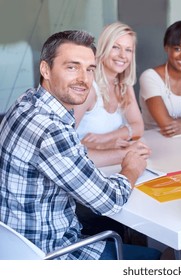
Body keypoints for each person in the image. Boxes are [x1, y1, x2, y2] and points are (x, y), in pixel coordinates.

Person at [0, 30, 160, 260]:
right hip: (51, 254)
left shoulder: (26, 102)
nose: (84, 79)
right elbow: (110, 201)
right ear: (45, 69)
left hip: (14, 247)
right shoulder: (51, 130)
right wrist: (132, 167)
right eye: (72, 67)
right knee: (156, 257)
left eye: (89, 69)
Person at [74, 22, 144, 167]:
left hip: (109, 165)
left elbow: (138, 127)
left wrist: (106, 138)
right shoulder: (88, 88)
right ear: (103, 48)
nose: (122, 56)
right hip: (83, 167)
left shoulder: (123, 84)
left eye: (128, 50)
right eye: (115, 47)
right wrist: (102, 145)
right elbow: (60, 144)